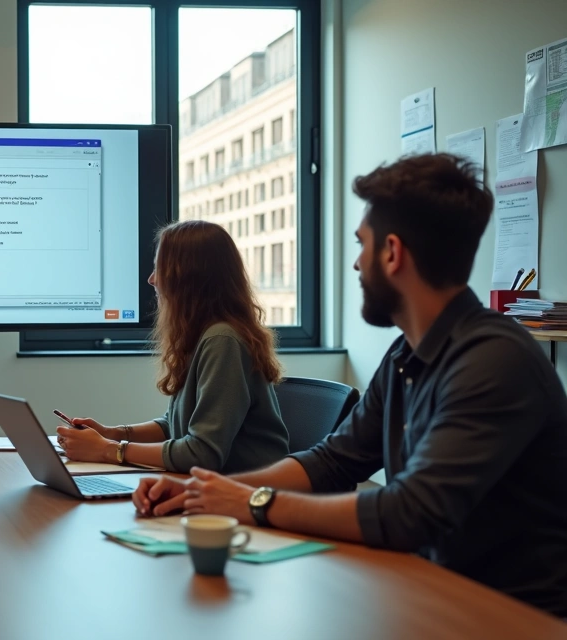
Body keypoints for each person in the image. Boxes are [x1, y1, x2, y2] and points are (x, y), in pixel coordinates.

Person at [134, 154, 567, 618]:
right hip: (435, 591)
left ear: (392, 253)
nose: (357, 263)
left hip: (514, 614)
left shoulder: (492, 361)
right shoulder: (406, 355)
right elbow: (333, 461)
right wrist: (207, 492)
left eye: (362, 244)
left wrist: (254, 502)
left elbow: (408, 513)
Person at [56, 220, 289, 473]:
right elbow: (174, 426)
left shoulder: (223, 341)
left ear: (188, 278)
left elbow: (202, 453)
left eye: (160, 269)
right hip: (208, 482)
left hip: (242, 489)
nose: (152, 279)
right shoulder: (202, 335)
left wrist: (108, 450)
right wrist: (112, 434)